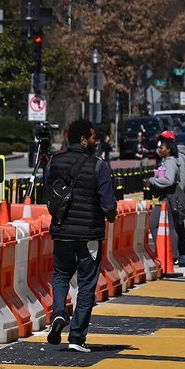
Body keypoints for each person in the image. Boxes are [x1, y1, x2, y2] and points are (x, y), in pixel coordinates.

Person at [44, 119, 117, 353]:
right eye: (93, 138)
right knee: (86, 284)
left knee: (61, 275)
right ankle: (77, 336)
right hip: (89, 235)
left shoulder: (54, 163)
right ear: (84, 140)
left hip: (62, 231)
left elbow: (49, 195)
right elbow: (108, 203)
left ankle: (58, 313)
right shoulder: (98, 166)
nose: (96, 141)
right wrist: (112, 214)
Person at [148, 131, 185, 267]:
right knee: (172, 226)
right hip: (167, 196)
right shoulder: (167, 160)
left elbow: (172, 180)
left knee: (171, 226)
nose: (159, 147)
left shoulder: (173, 160)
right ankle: (168, 254)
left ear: (169, 147)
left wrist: (154, 180)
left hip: (171, 196)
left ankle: (171, 254)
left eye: (162, 145)